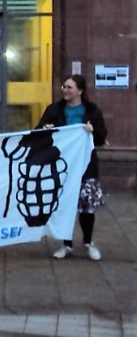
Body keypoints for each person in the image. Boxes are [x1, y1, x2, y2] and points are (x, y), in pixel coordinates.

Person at [38, 74, 108, 261]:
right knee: (64, 205)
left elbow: (101, 137)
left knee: (86, 206)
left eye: (69, 87)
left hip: (86, 165)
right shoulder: (54, 109)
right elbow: (39, 132)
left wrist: (93, 131)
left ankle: (88, 242)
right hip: (61, 165)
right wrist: (46, 129)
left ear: (80, 90)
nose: (65, 90)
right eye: (64, 86)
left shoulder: (92, 111)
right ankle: (66, 244)